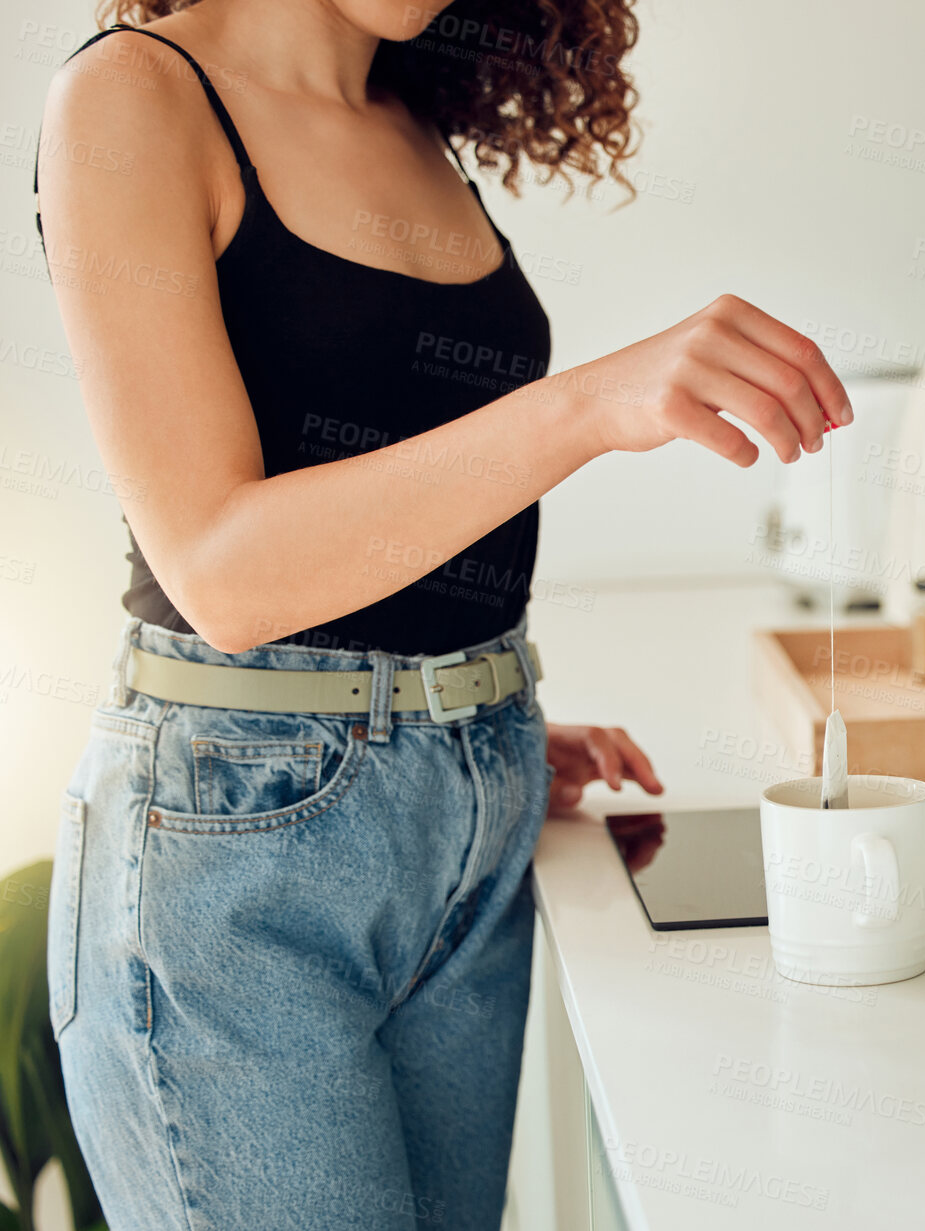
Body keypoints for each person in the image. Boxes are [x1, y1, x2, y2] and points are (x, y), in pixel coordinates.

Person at [34, 2, 852, 1226]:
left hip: (467, 810)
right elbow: (222, 572)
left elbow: (385, 471)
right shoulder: (131, 98)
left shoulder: (411, 114)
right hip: (233, 855)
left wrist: (444, 717)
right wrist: (589, 406)